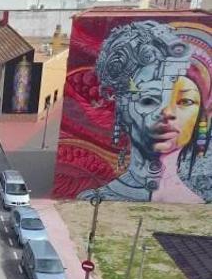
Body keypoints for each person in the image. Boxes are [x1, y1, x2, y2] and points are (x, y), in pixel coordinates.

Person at [78, 21, 211, 203]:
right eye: (149, 100)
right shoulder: (95, 200)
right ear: (121, 107)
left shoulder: (201, 202)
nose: (167, 112)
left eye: (185, 101)